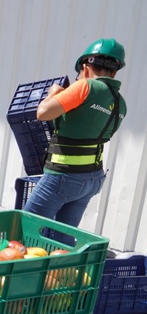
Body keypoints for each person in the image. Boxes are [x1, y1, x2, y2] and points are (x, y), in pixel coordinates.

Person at [23, 38, 127, 228]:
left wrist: (53, 93)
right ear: (114, 72)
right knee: (63, 236)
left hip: (63, 177)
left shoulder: (85, 86)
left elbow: (43, 113)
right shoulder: (120, 103)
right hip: (93, 179)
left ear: (85, 68)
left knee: (26, 228)